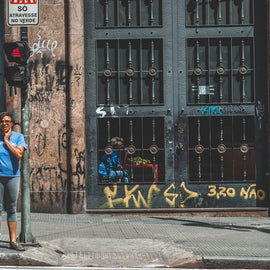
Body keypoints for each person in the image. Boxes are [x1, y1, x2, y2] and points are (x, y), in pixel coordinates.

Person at [0, 112, 27, 251]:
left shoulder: (18, 137)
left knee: (12, 209)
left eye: (7, 121)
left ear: (11, 123)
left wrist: (6, 141)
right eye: (2, 121)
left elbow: (18, 154)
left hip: (13, 176)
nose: (4, 123)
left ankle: (13, 241)